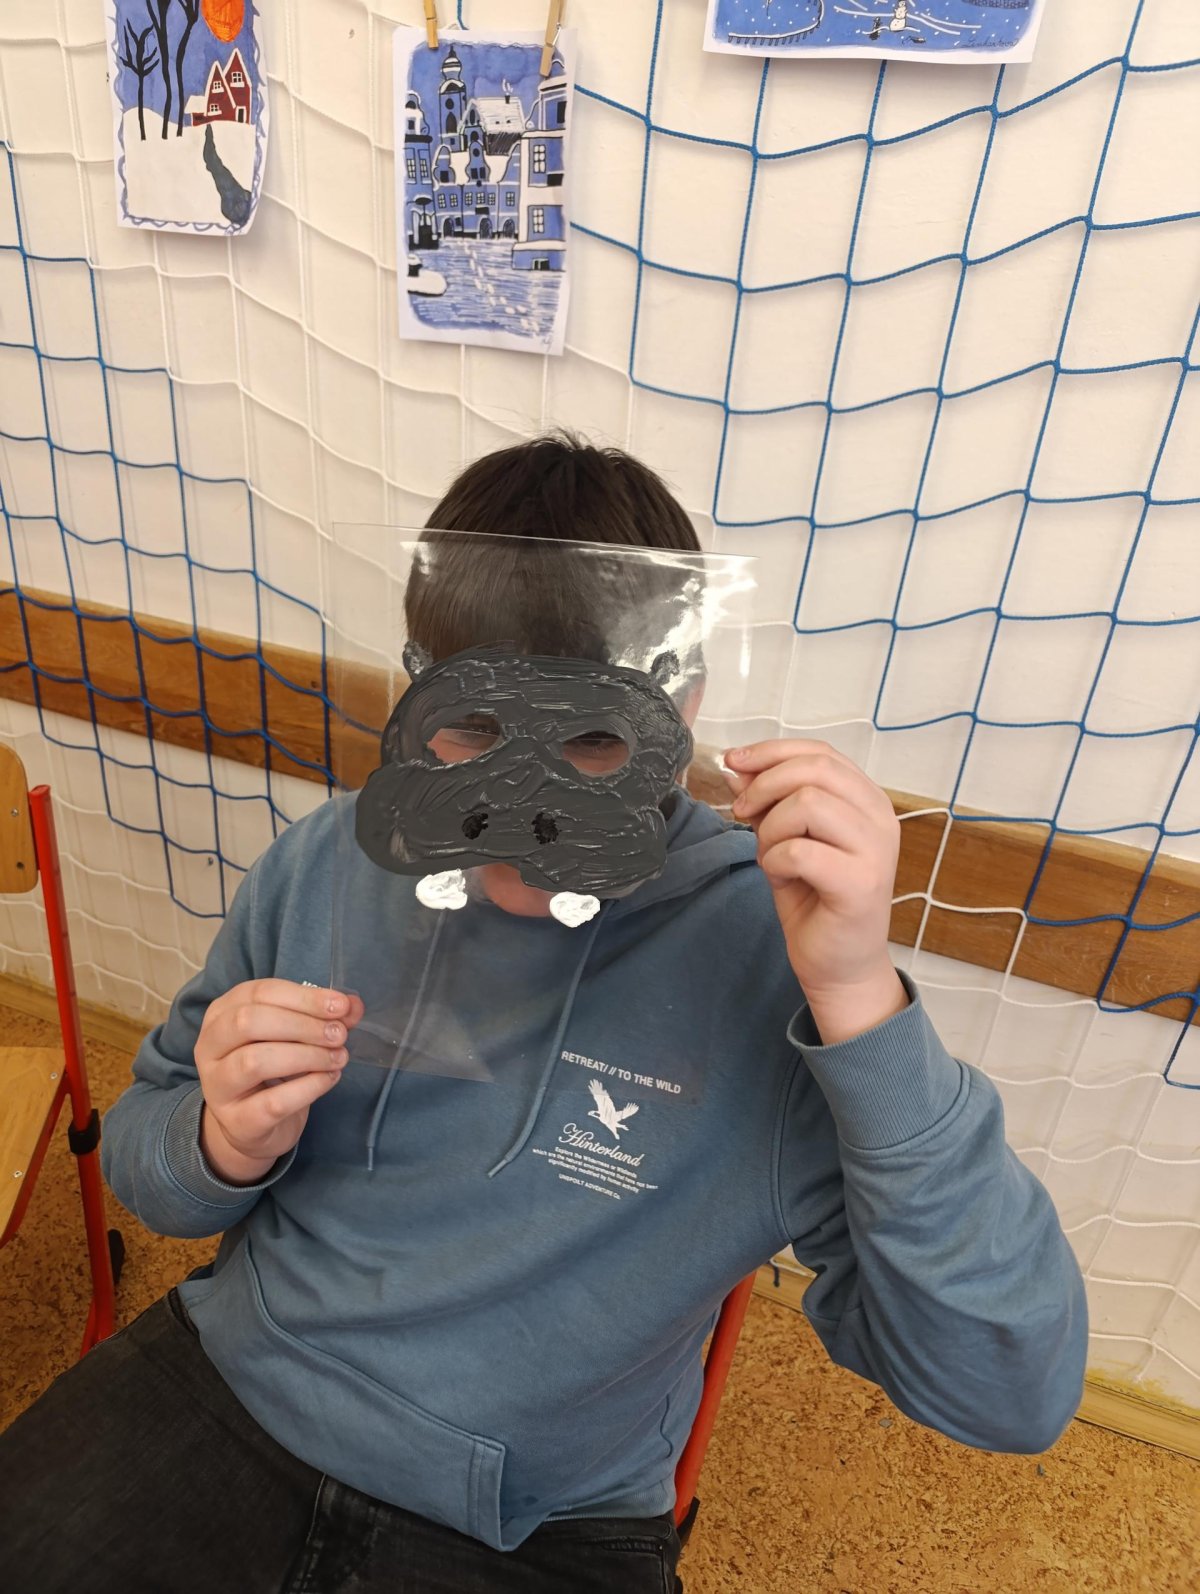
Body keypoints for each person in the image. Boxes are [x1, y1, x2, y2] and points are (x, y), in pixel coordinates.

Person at [0, 434, 1088, 1594]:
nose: (526, 802)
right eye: (475, 729)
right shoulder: (326, 864)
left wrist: (863, 999)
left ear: (684, 708)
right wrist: (217, 1143)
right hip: (235, 1386)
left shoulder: (772, 954)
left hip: (529, 1522)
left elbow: (1006, 1390)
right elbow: (152, 1171)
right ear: (417, 695)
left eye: (593, 739)